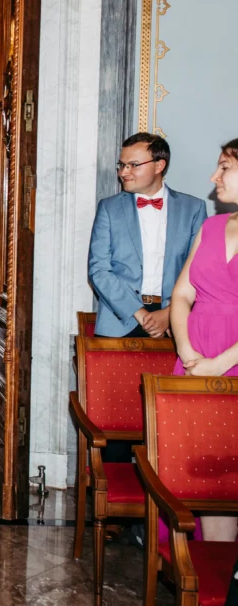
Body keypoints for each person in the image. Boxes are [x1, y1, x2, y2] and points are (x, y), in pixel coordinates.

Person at [88, 133, 207, 480]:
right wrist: (139, 312)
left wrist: (169, 312)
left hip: (175, 323)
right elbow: (99, 269)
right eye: (121, 165)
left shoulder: (194, 208)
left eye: (132, 164)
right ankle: (112, 513)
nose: (124, 171)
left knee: (166, 417)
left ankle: (158, 509)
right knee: (115, 415)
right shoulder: (109, 208)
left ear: (159, 165)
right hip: (120, 321)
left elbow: (197, 269)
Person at [170, 138, 238, 547]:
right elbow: (181, 295)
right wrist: (186, 350)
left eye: (224, 168)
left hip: (229, 356)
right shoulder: (211, 227)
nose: (214, 178)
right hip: (196, 353)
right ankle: (214, 567)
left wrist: (221, 362)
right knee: (206, 472)